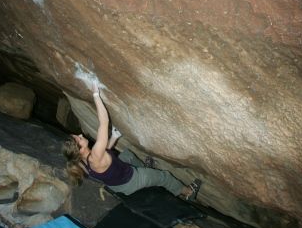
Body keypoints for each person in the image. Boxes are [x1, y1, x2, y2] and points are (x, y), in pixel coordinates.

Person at [63, 84, 201, 200]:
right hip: (130, 181)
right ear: (80, 149)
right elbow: (104, 122)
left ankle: (146, 169)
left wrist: (114, 138)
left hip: (115, 184)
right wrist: (96, 95)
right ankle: (187, 192)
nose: (80, 134)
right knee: (164, 176)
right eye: (79, 138)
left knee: (127, 155)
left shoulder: (80, 161)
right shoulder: (94, 156)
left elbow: (104, 154)